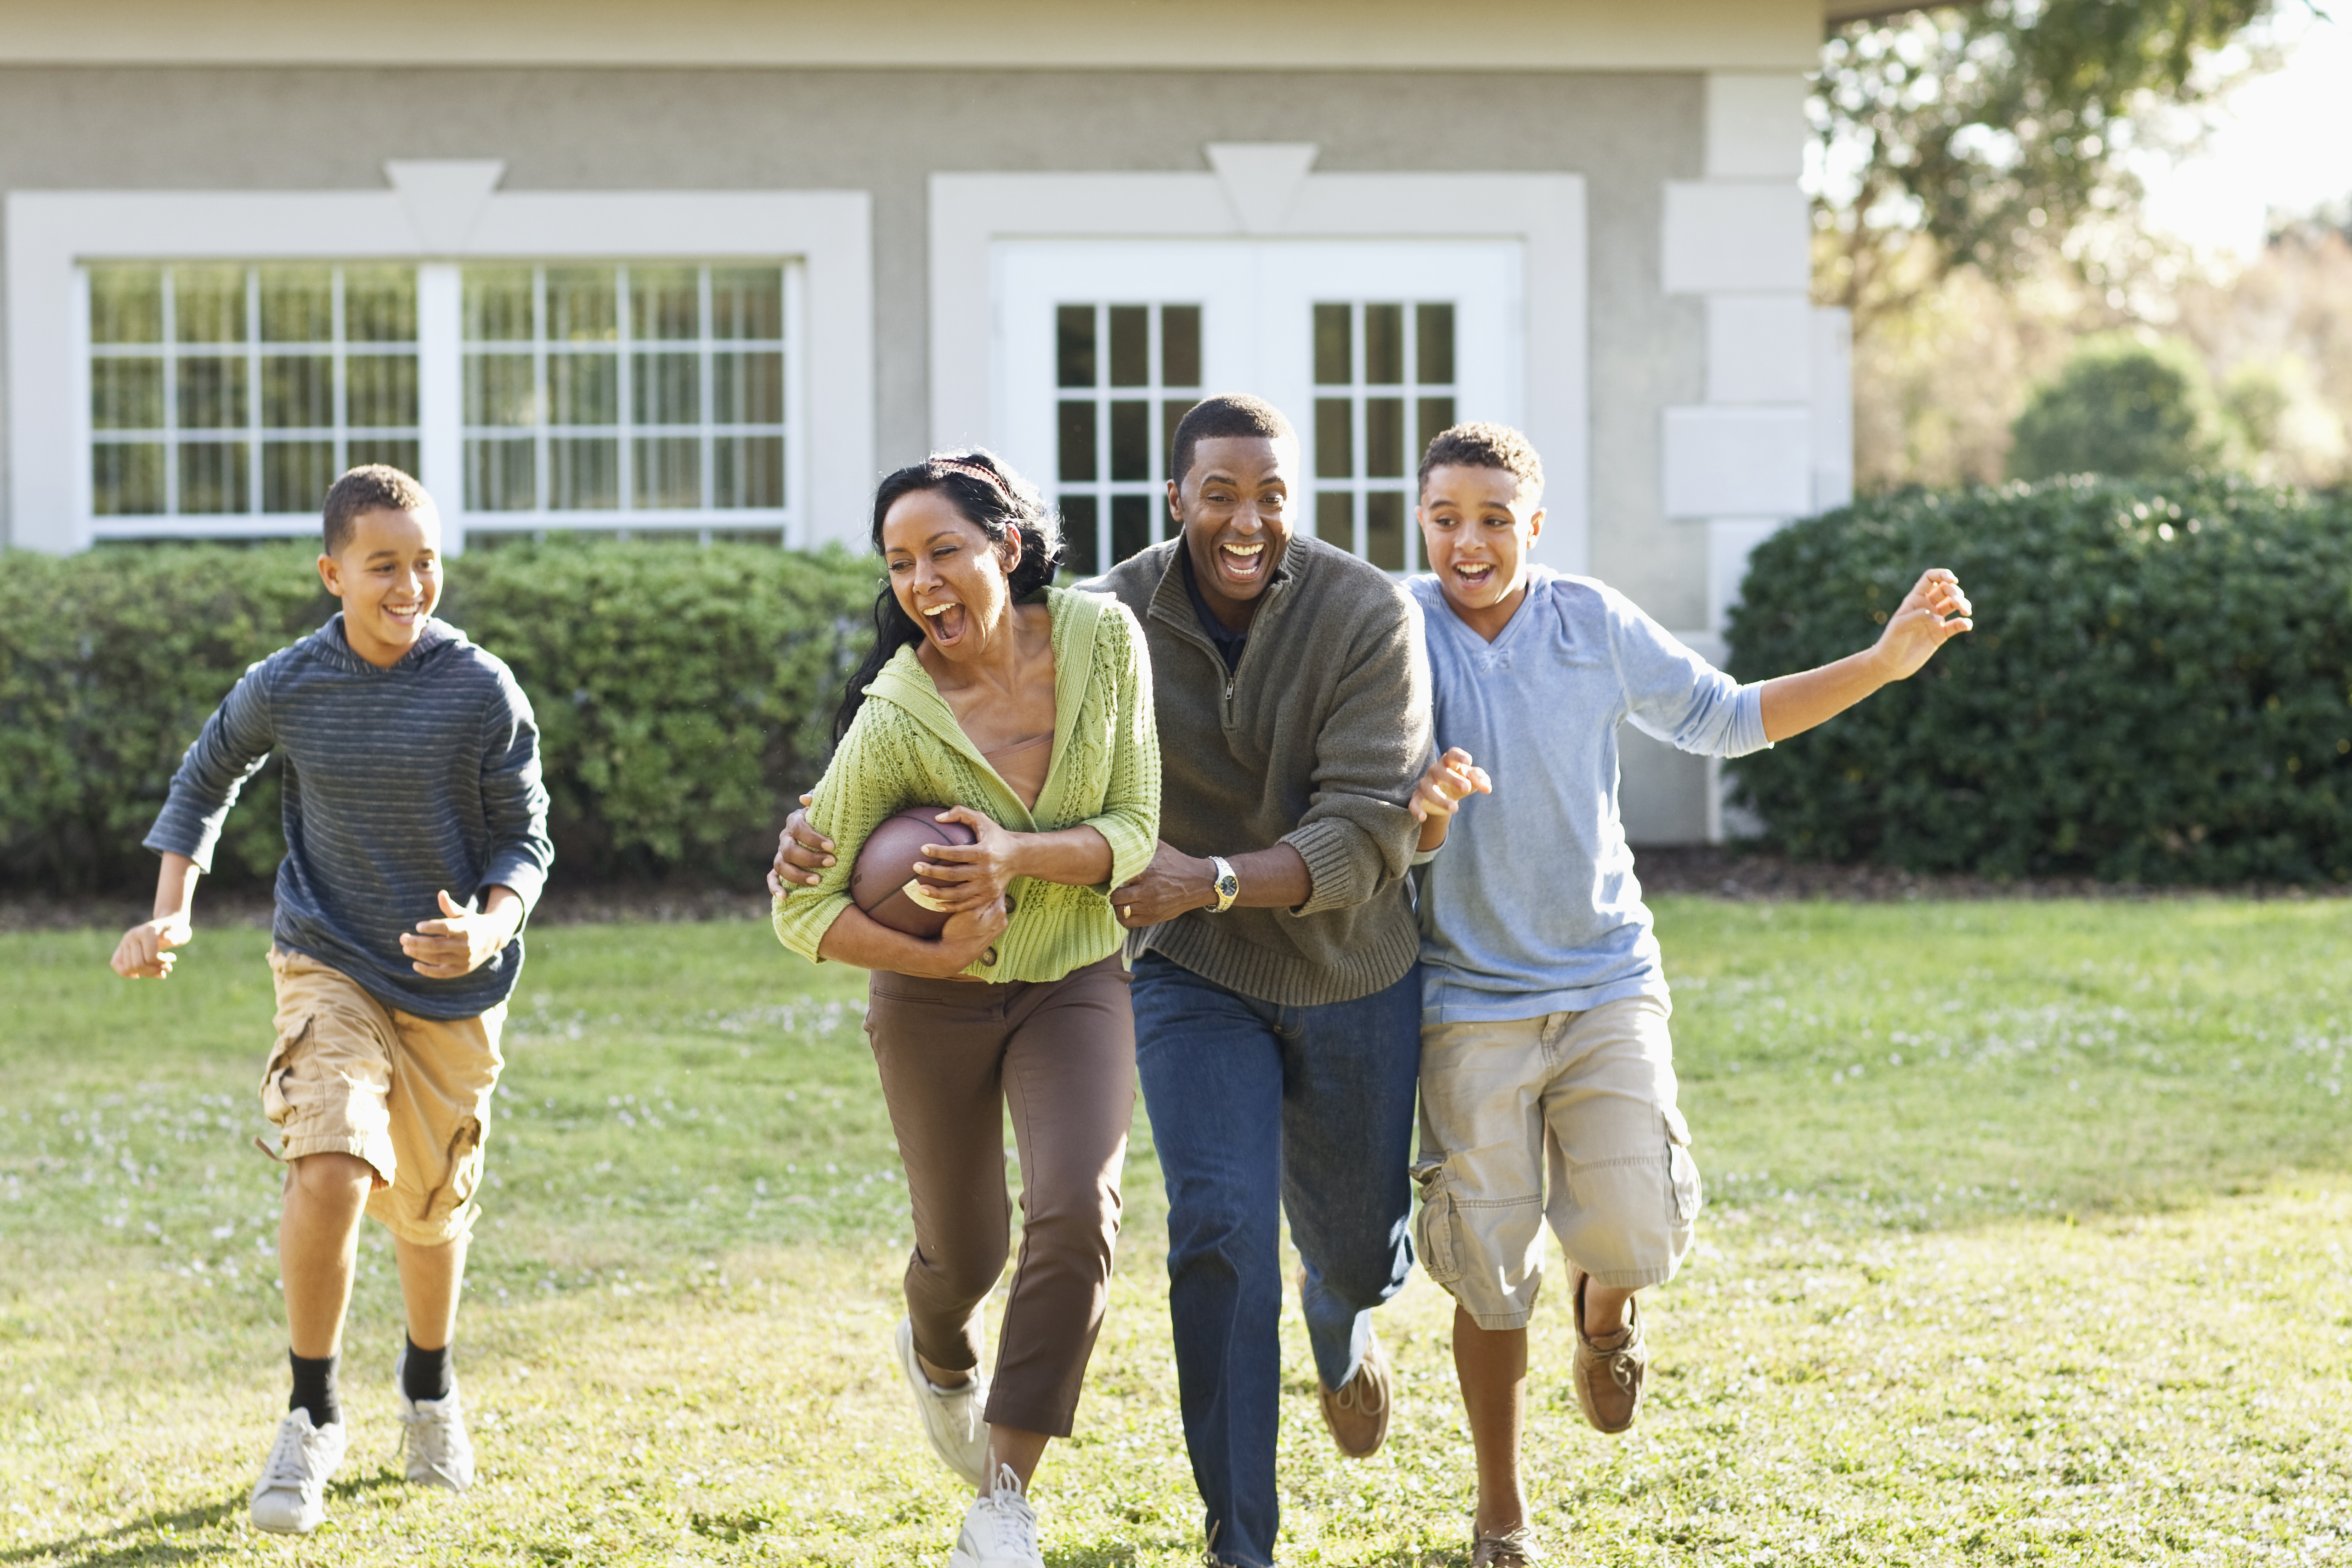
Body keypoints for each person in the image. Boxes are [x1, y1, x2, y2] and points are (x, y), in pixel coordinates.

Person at [1400, 423, 1975, 1567]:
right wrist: (1416, 813)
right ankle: (1501, 1510)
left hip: (1608, 973)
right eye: (1446, 517)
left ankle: (1604, 1307)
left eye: (1494, 518)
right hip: (1464, 992)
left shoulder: (1590, 622)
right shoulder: (1393, 629)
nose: (1469, 540)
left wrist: (1877, 664)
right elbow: (1348, 788)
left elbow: (1726, 718)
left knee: (1634, 1226)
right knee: (1488, 1263)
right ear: (1421, 520)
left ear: (1536, 525)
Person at [109, 465, 552, 1537]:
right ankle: (311, 1414)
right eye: (384, 565)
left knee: (433, 1210)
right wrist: (173, 908)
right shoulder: (290, 683)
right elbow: (205, 776)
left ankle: (430, 1388)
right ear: (333, 574)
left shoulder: (480, 687)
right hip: (329, 959)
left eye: (426, 561)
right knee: (331, 1160)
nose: (411, 585)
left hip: (455, 979)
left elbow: (524, 838)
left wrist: (490, 925)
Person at [766, 452, 1159, 1568]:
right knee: (966, 1257)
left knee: (1078, 1212)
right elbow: (800, 910)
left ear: (1010, 550)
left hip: (1074, 972)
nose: (921, 582)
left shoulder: (1102, 641)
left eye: (944, 551)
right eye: (899, 565)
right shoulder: (894, 717)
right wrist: (937, 955)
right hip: (933, 998)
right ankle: (938, 1351)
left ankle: (1002, 1501)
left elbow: (1134, 829)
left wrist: (1013, 860)